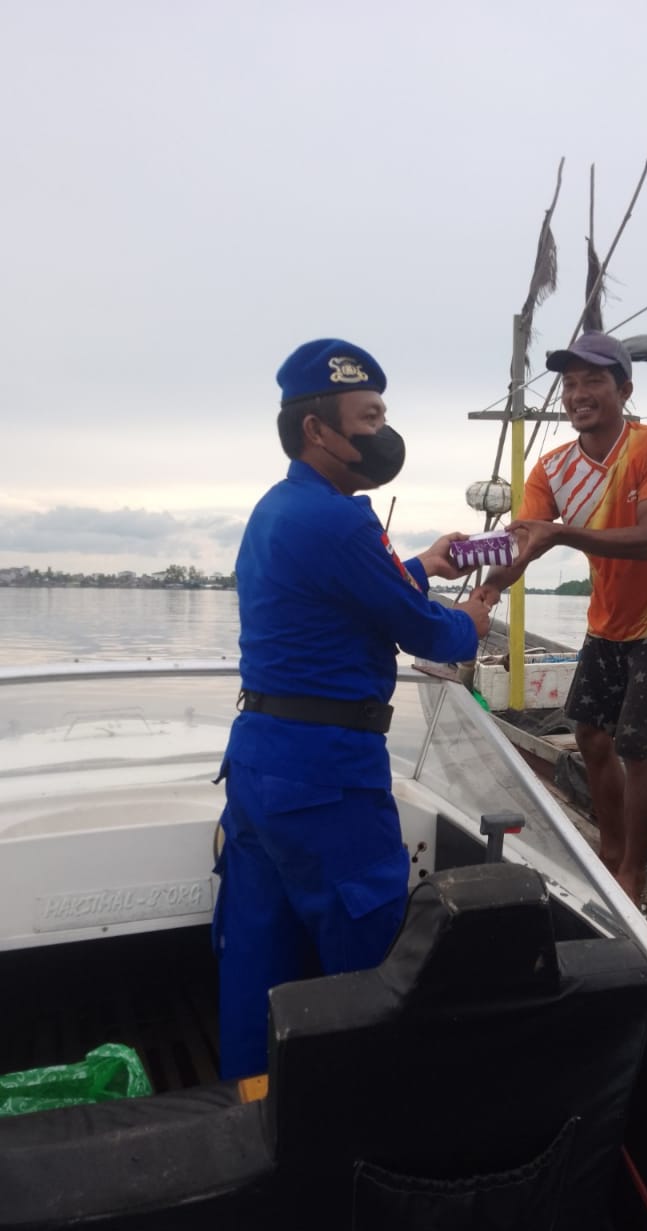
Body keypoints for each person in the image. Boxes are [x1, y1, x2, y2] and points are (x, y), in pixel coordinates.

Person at [214, 337, 490, 1080]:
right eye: (368, 416)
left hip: (260, 764)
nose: (380, 431)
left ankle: (250, 1104)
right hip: (327, 779)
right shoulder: (341, 521)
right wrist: (482, 605)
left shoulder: (280, 510)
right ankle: (375, 1117)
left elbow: (337, 591)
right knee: (372, 962)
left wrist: (423, 565)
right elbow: (432, 632)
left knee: (257, 953)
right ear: (318, 430)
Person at [471, 331, 647, 903]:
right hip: (606, 620)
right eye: (569, 384)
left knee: (637, 747)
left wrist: (560, 533)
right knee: (592, 736)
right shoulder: (550, 470)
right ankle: (610, 851)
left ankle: (634, 874)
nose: (578, 393)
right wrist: (487, 592)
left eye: (593, 380)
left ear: (623, 388)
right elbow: (524, 543)